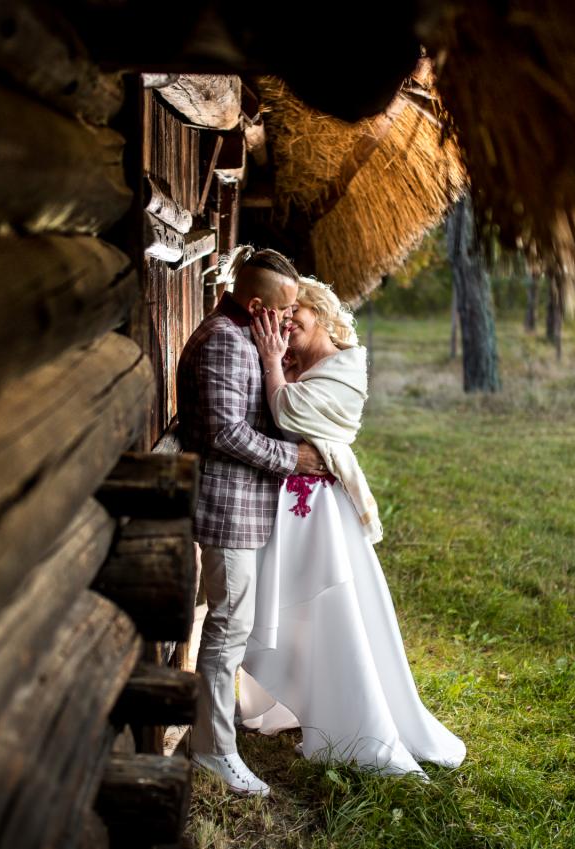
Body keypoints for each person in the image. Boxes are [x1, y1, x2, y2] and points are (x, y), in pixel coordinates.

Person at [237, 276, 466, 777]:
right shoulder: (303, 362)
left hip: (322, 513)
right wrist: (284, 365)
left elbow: (290, 412)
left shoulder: (347, 364)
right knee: (291, 606)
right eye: (280, 315)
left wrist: (275, 365)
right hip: (298, 506)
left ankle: (348, 719)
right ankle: (291, 700)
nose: (285, 322)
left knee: (328, 606)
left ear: (319, 312)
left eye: (295, 313)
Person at [176, 245, 325, 796]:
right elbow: (224, 433)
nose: (290, 319)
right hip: (226, 508)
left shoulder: (245, 337)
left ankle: (210, 731)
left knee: (232, 624)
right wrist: (295, 460)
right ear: (256, 302)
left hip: (241, 507)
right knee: (227, 626)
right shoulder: (222, 341)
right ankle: (215, 750)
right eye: (284, 309)